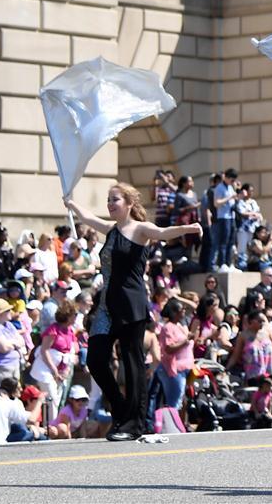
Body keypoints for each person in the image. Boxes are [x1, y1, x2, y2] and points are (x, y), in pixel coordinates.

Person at [64, 183, 202, 441]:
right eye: (108, 199)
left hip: (131, 305)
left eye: (114, 199)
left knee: (133, 364)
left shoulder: (139, 229)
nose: (109, 203)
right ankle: (120, 410)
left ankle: (135, 424)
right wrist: (71, 203)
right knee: (95, 359)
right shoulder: (111, 230)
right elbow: (89, 218)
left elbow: (162, 232)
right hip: (107, 306)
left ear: (128, 203)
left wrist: (190, 228)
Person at [157, 299, 195, 412]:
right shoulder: (168, 327)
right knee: (174, 403)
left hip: (186, 369)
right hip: (174, 370)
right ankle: (171, 426)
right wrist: (185, 341)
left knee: (182, 401)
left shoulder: (180, 326)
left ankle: (180, 425)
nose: (184, 311)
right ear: (174, 312)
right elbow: (168, 348)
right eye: (181, 309)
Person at [211, 168, 240, 272]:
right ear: (226, 177)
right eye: (232, 180)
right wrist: (229, 198)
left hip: (231, 217)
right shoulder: (219, 188)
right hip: (223, 217)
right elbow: (216, 203)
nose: (233, 182)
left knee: (231, 241)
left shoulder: (230, 187)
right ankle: (222, 263)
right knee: (224, 241)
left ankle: (229, 263)